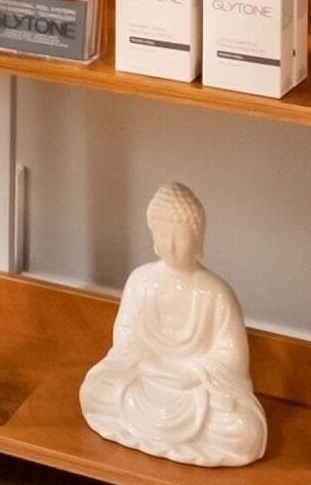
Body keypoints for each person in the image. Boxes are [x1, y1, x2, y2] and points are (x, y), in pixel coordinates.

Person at [78, 183, 269, 469]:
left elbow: (232, 356)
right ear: (153, 236)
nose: (172, 245)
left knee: (244, 431)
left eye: (180, 236)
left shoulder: (215, 292)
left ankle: (178, 432)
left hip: (194, 391)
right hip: (146, 379)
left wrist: (192, 373)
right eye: (163, 235)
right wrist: (148, 363)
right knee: (94, 392)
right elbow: (127, 336)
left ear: (199, 237)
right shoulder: (141, 281)